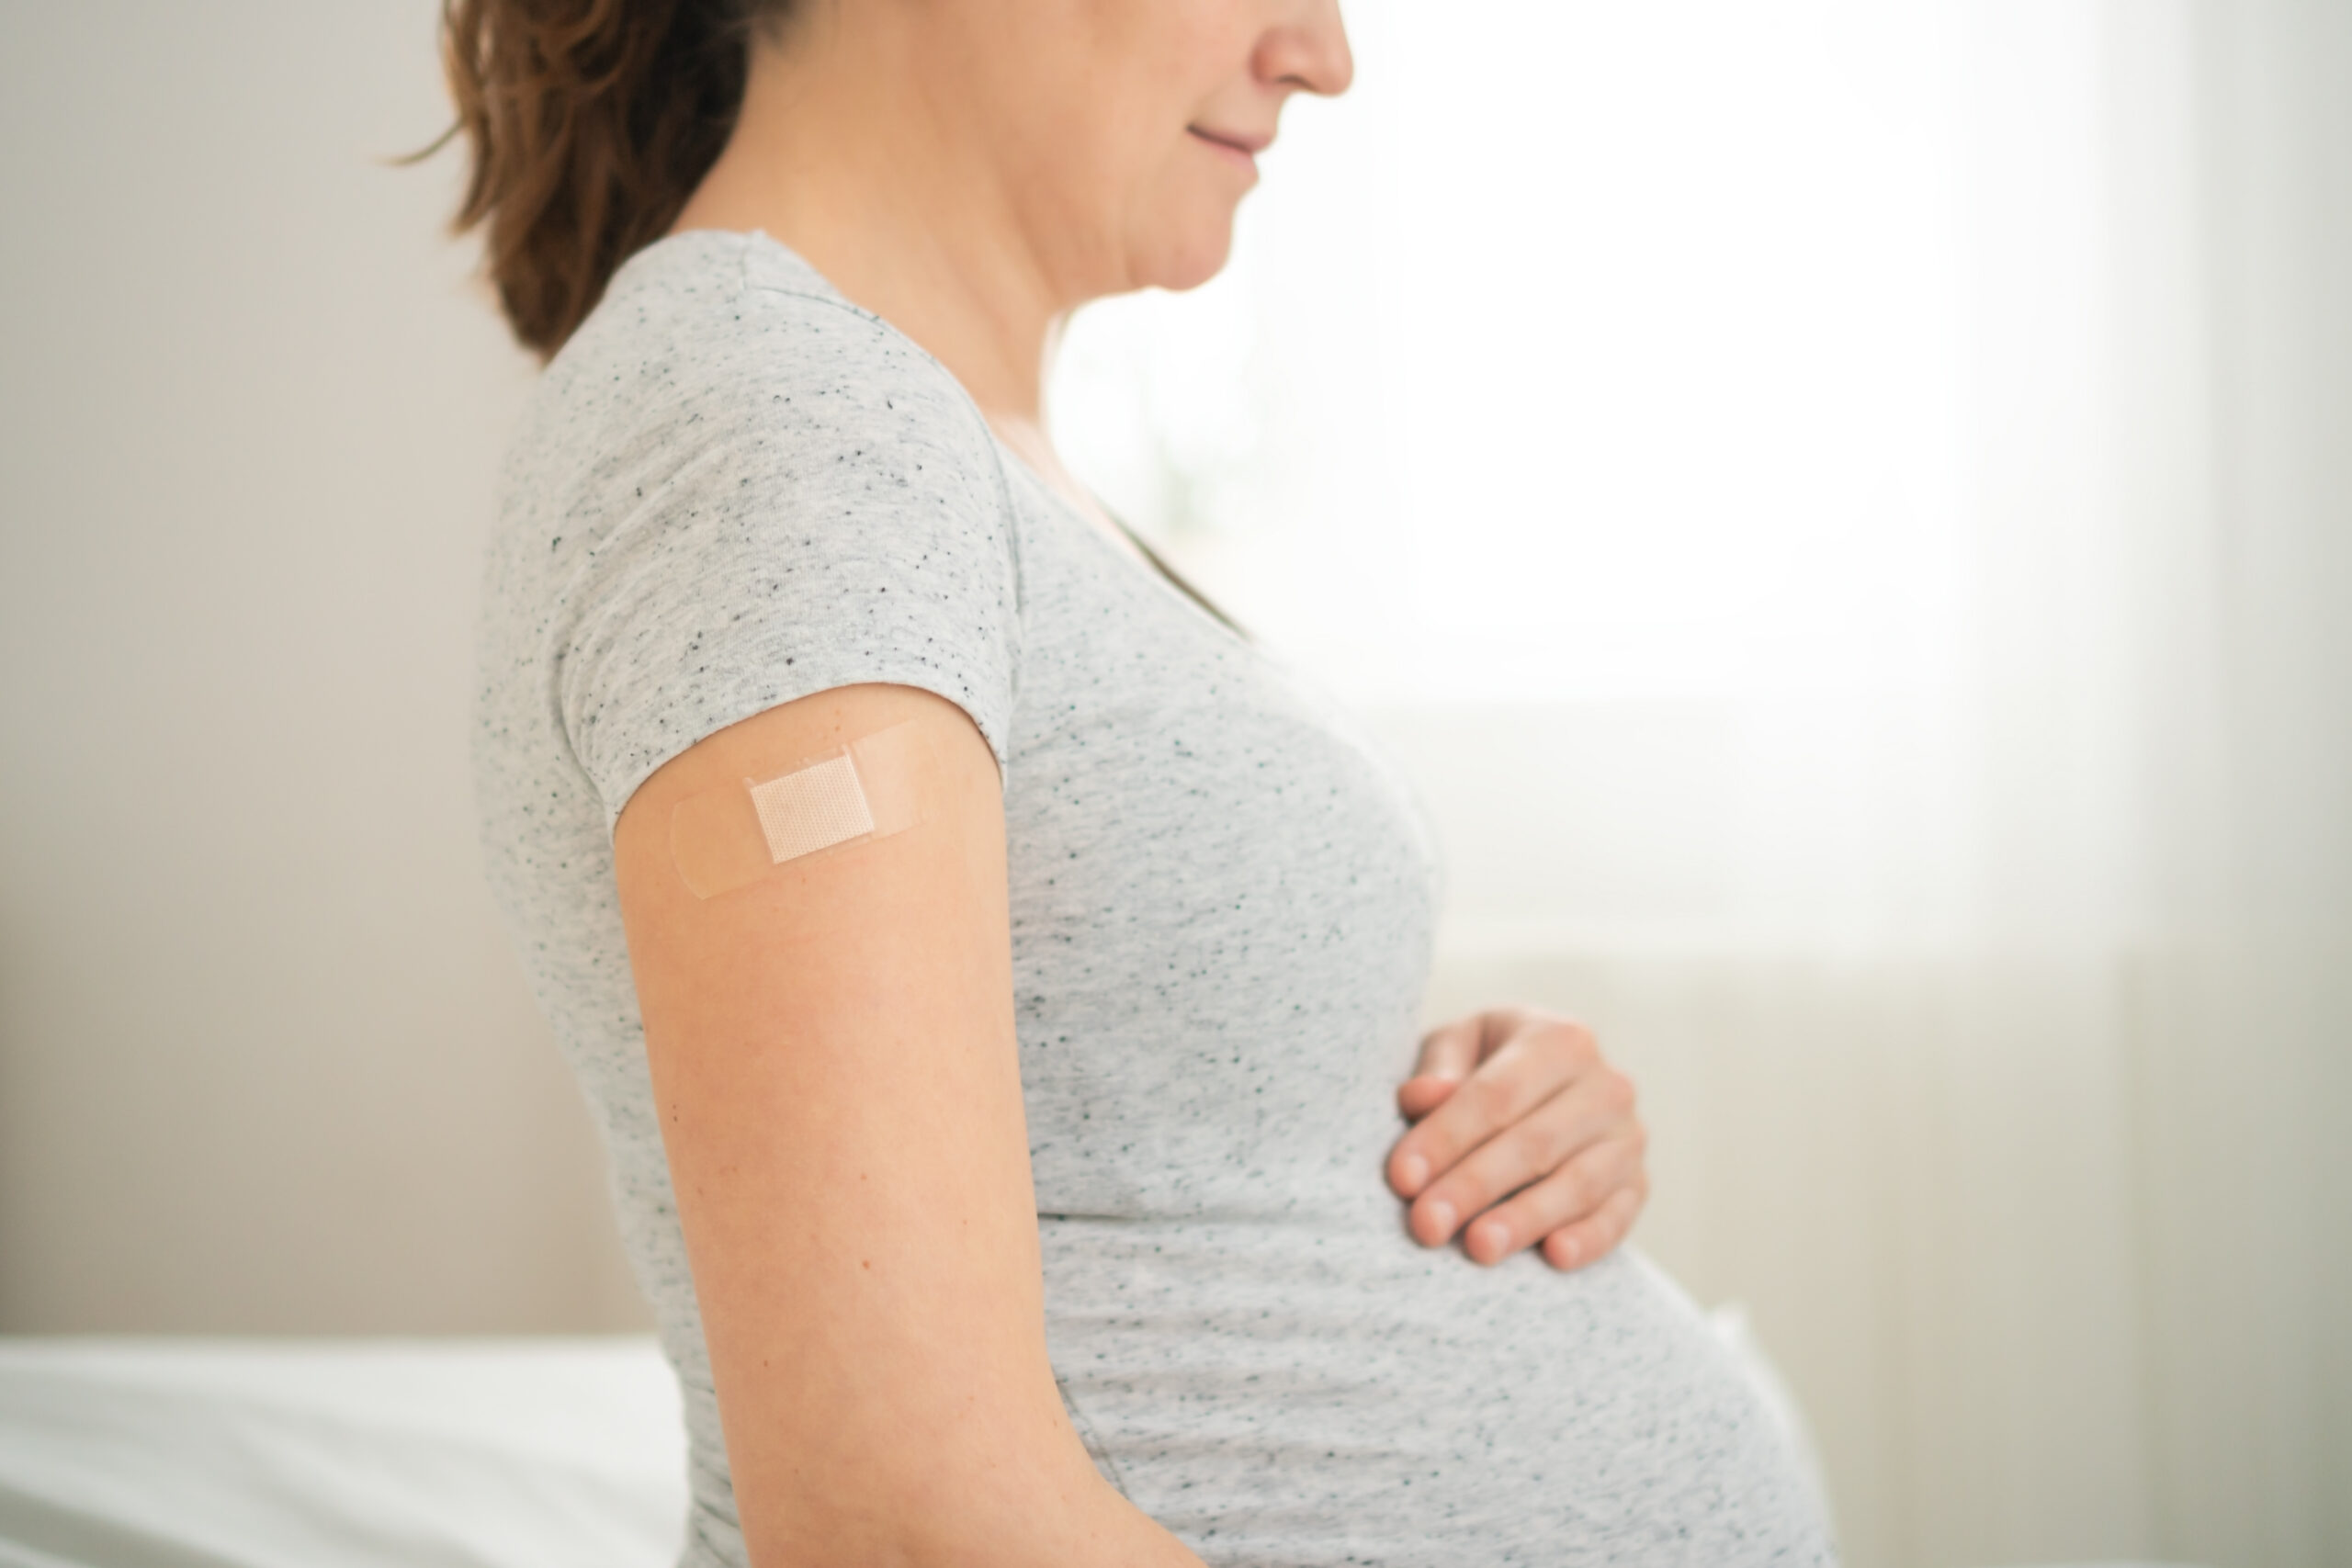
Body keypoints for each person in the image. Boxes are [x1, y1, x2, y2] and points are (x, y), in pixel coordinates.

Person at [448, 1, 1836, 1563]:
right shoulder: (782, 429)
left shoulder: (939, 445)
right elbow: (897, 1523)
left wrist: (1437, 1124)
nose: (1324, 54)